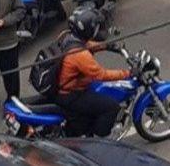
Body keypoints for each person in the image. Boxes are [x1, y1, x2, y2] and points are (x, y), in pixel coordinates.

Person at [56, 8, 131, 137]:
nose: (96, 30)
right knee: (111, 107)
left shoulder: (67, 36)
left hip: (64, 88)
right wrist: (128, 73)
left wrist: (107, 46)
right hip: (71, 94)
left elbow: (86, 44)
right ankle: (99, 138)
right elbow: (101, 75)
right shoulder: (80, 55)